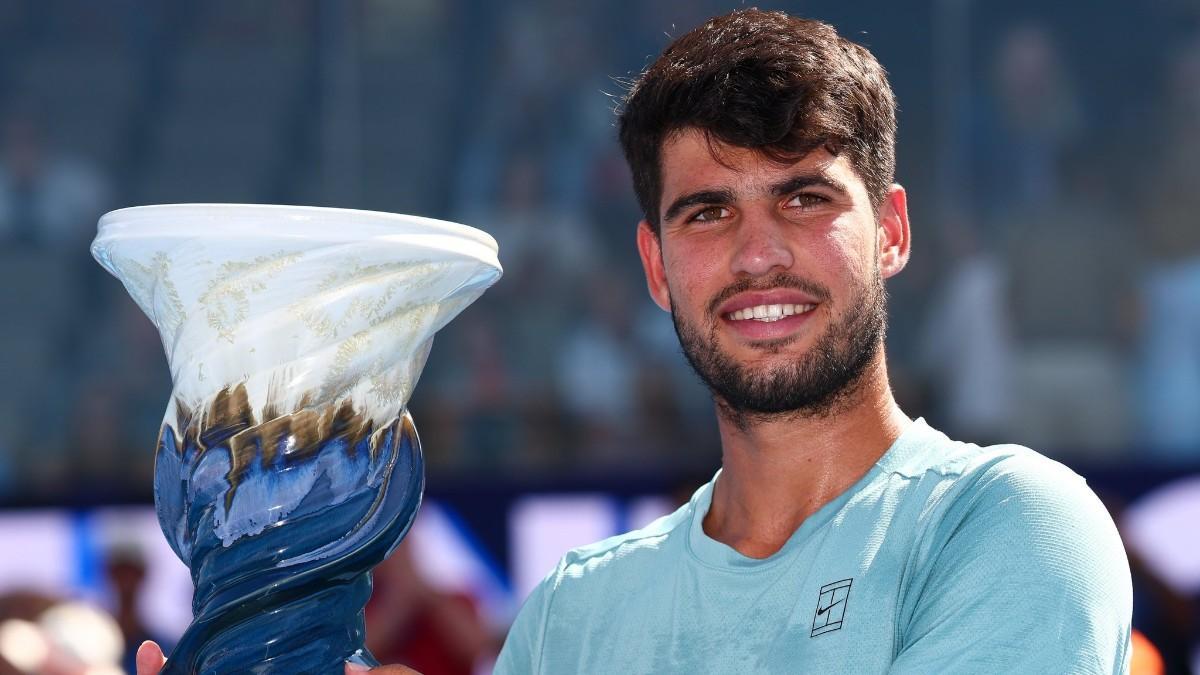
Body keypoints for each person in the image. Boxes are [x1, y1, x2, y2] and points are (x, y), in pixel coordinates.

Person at [139, 8, 1132, 674]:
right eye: (708, 213)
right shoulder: (575, 612)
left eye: (804, 197)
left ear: (894, 232)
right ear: (657, 269)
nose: (758, 254)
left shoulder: (1010, 523)